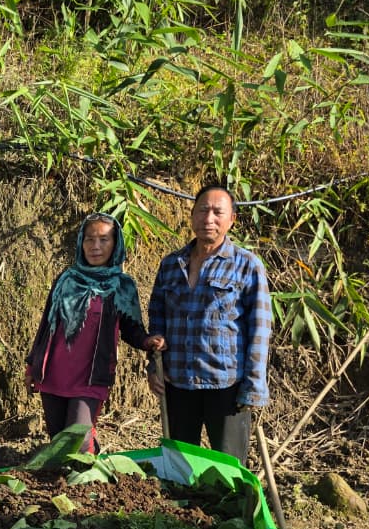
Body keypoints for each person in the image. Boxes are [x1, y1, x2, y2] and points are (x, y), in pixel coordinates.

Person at [147, 185, 272, 465]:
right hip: (177, 383)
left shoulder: (247, 265)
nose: (209, 219)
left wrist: (253, 386)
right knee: (180, 468)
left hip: (226, 387)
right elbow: (157, 318)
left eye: (218, 212)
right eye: (203, 210)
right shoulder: (171, 265)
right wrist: (153, 366)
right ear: (192, 215)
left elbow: (260, 330)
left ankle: (226, 498)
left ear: (232, 220)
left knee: (227, 470)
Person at [25, 212, 165, 452]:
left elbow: (131, 328)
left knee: (78, 441)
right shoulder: (66, 279)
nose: (95, 246)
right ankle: (72, 474)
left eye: (103, 239)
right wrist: (32, 366)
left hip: (90, 376)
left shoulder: (121, 285)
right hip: (54, 373)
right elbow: (46, 325)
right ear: (81, 242)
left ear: (115, 244)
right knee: (59, 441)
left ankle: (90, 464)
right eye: (89, 239)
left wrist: (146, 341)